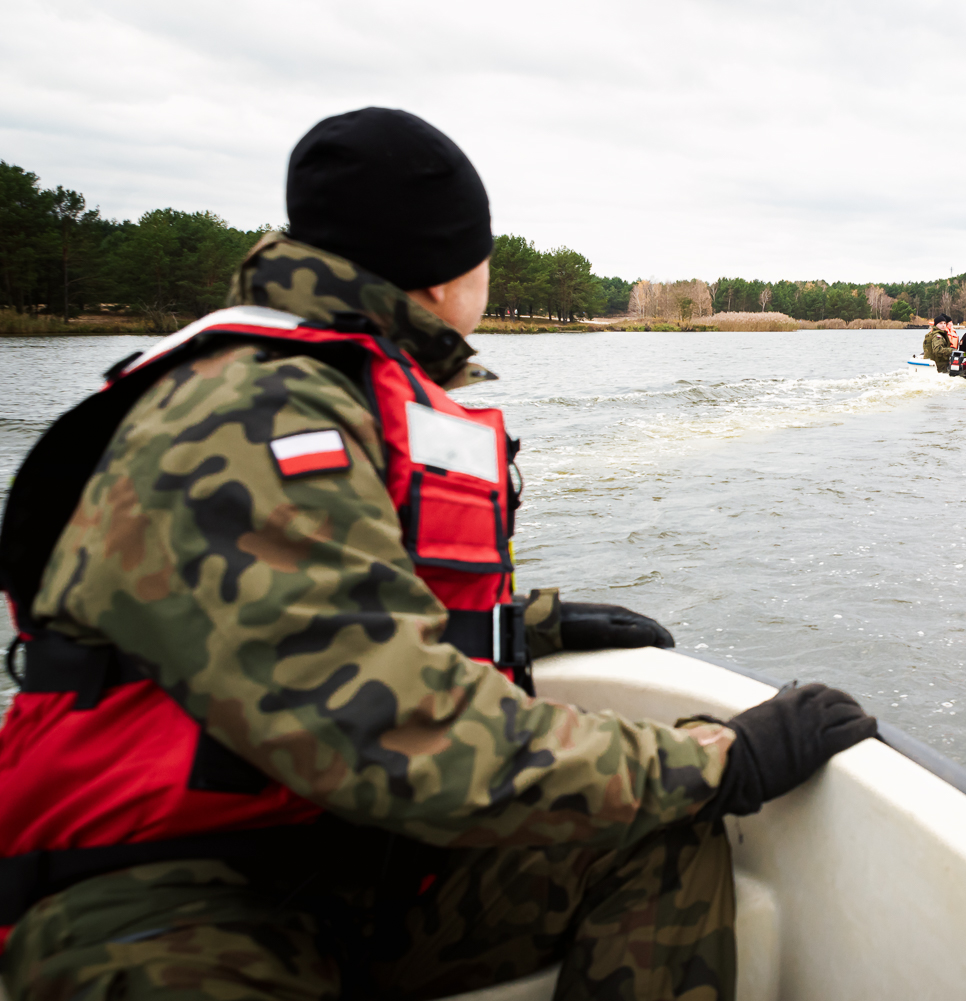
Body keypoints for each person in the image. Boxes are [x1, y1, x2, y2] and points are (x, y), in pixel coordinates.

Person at [0, 108, 875, 1001]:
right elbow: (394, 728)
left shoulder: (329, 386)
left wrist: (517, 627)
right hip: (171, 901)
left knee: (646, 836)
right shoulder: (255, 414)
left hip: (344, 865)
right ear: (449, 269)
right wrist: (720, 759)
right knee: (674, 800)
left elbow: (318, 602)